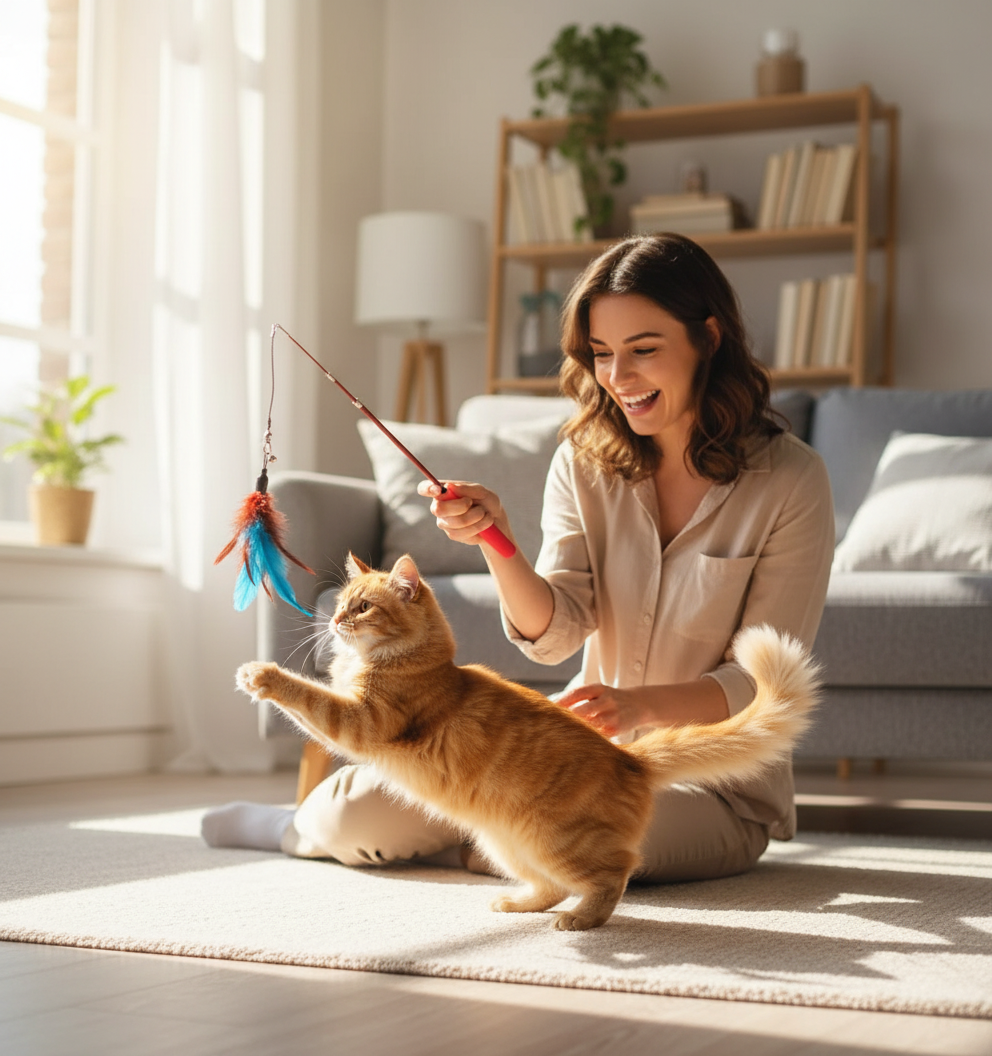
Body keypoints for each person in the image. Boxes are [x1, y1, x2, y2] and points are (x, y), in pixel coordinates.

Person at [203, 233, 834, 881]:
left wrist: (639, 706)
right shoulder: (584, 463)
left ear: (709, 338)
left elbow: (761, 681)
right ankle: (302, 828)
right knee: (356, 819)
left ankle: (476, 845)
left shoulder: (791, 480)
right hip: (572, 752)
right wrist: (495, 541)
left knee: (609, 846)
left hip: (712, 783)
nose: (619, 378)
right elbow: (555, 637)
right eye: (602, 354)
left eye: (644, 350)